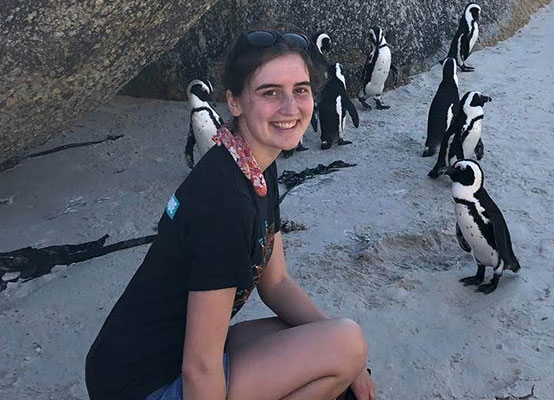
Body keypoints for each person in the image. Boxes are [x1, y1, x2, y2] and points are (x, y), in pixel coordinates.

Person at [85, 30, 376, 400]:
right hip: (144, 384)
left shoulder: (255, 164)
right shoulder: (224, 203)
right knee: (345, 340)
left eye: (300, 90)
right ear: (234, 102)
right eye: (270, 92)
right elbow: (200, 366)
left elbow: (277, 283)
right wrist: (348, 353)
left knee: (337, 346)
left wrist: (356, 364)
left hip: (170, 352)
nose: (290, 107)